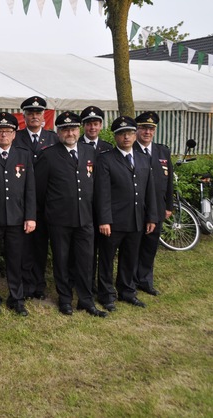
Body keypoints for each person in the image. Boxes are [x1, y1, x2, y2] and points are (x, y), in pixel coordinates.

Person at [34, 112, 106, 317]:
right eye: (65, 129)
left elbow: (96, 186)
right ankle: (65, 299)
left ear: (79, 130)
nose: (70, 133)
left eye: (73, 129)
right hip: (59, 220)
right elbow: (40, 192)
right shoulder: (47, 155)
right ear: (58, 132)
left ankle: (86, 300)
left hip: (85, 219)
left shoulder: (89, 152)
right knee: (62, 261)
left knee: (85, 261)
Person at [95, 116, 157, 312]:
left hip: (136, 219)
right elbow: (102, 193)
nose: (127, 137)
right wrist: (104, 219)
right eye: (122, 134)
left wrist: (151, 216)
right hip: (113, 221)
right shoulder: (105, 159)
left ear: (135, 134)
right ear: (115, 137)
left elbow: (150, 190)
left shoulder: (143, 158)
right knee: (106, 259)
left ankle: (127, 291)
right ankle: (106, 295)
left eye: (130, 133)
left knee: (130, 258)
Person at [0, 112, 36, 316]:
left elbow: (30, 188)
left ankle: (16, 298)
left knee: (16, 260)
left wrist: (30, 216)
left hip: (17, 218)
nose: (4, 135)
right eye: (0, 131)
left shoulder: (24, 154)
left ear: (14, 134)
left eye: (8, 131)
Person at [15, 96, 58, 300]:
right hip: (21, 202)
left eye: (38, 113)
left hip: (46, 202)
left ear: (43, 116)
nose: (34, 116)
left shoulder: (53, 139)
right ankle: (25, 285)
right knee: (24, 247)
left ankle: (39, 285)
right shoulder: (16, 137)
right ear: (24, 115)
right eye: (30, 113)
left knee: (41, 246)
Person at [133, 111, 173, 296]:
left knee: (150, 246)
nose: (147, 132)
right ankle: (130, 280)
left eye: (150, 128)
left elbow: (169, 181)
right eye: (143, 128)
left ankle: (146, 280)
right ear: (137, 130)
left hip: (157, 208)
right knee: (134, 246)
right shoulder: (130, 149)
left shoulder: (162, 151)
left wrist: (169, 206)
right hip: (136, 208)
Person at [77, 106, 113, 294]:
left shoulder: (107, 148)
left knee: (102, 248)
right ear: (83, 126)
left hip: (103, 206)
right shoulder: (77, 146)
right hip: (82, 206)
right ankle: (85, 284)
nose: (92, 128)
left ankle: (102, 285)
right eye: (89, 124)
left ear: (101, 126)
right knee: (84, 250)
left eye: (96, 124)